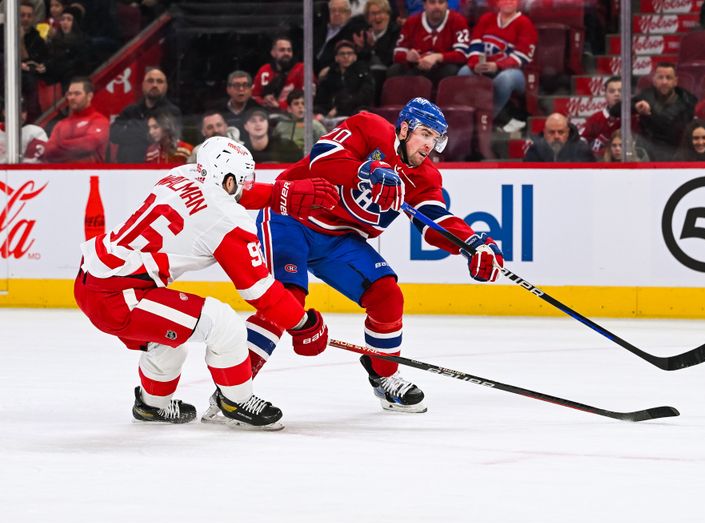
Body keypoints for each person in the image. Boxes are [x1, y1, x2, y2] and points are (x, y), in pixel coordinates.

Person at [248, 98, 505, 413]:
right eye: (424, 133)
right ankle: (233, 390)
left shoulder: (425, 178)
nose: (429, 144)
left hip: (340, 239)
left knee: (386, 295)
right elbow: (321, 159)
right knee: (288, 298)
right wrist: (366, 170)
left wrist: (471, 245)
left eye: (435, 138)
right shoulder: (369, 127)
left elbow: (435, 220)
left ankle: (384, 375)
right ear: (404, 128)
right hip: (292, 216)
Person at [74, 137, 338, 428]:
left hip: (95, 280)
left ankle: (152, 406)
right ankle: (236, 401)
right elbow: (259, 290)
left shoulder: (181, 174)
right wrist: (303, 324)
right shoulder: (227, 219)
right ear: (227, 179)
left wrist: (280, 193)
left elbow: (226, 194)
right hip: (119, 297)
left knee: (168, 342)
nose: (246, 186)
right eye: (243, 180)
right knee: (224, 324)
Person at [459, 0, 537, 128]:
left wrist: (498, 65)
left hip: (516, 72)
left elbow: (522, 56)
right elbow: (475, 44)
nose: (509, 2)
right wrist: (475, 64)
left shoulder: (525, 23)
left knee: (504, 79)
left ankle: (487, 119)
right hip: (485, 67)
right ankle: (466, 116)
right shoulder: (486, 19)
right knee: (464, 71)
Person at [387, 0, 470, 87]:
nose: (437, 6)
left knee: (451, 70)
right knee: (394, 70)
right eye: (432, 2)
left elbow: (463, 54)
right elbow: (397, 54)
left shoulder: (457, 20)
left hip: (442, 67)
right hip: (417, 67)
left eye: (441, 2)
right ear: (424, 5)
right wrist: (407, 56)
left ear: (446, 4)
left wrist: (438, 57)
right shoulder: (412, 21)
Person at [110, 66, 182, 163]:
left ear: (165, 86)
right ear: (143, 85)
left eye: (159, 81)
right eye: (150, 81)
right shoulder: (130, 111)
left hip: (157, 167)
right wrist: (145, 132)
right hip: (127, 168)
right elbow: (113, 135)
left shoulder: (172, 112)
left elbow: (168, 138)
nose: (155, 85)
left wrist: (131, 129)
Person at [633, 62, 697, 161]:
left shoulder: (688, 102)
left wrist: (651, 113)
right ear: (654, 80)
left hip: (676, 155)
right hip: (647, 155)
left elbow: (668, 127)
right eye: (660, 77)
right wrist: (635, 106)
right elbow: (615, 110)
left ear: (675, 81)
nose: (664, 82)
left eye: (668, 78)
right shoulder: (645, 96)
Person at [42, 77, 109, 163]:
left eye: (77, 94)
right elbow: (48, 152)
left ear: (89, 96)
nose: (72, 97)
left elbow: (88, 145)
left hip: (89, 175)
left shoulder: (99, 120)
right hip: (64, 175)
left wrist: (60, 145)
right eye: (69, 94)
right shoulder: (61, 124)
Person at [315, 40, 376, 124]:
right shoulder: (330, 75)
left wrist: (339, 108)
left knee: (363, 113)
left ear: (355, 57)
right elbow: (322, 98)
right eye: (342, 54)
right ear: (336, 58)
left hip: (354, 110)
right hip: (330, 114)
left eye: (349, 53)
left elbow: (365, 95)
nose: (346, 56)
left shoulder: (362, 73)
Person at [352, 0, 402, 104]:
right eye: (373, 14)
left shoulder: (396, 31)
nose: (378, 17)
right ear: (367, 18)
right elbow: (361, 60)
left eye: (381, 13)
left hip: (385, 73)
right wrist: (360, 49)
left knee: (373, 75)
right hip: (366, 73)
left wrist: (374, 45)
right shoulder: (363, 33)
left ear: (388, 15)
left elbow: (389, 59)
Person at [313, 0, 368, 75]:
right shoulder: (319, 29)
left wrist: (331, 68)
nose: (336, 14)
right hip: (310, 69)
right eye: (333, 10)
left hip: (332, 72)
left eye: (341, 11)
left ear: (349, 14)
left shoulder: (353, 33)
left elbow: (352, 58)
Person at [253, 36, 305, 111]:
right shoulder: (264, 70)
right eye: (282, 50)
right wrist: (265, 101)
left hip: (292, 114)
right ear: (273, 53)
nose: (286, 53)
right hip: (266, 112)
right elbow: (254, 96)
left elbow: (307, 98)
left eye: (289, 50)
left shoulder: (301, 69)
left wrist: (279, 105)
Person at [523, 113, 595, 162]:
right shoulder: (536, 149)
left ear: (567, 132)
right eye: (551, 132)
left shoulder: (582, 149)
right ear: (544, 133)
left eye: (561, 132)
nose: (556, 136)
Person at [581, 75, 622, 159]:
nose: (617, 94)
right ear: (605, 95)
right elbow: (581, 143)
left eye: (621, 91)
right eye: (612, 91)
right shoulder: (595, 119)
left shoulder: (634, 118)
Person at [220, 71, 264, 136]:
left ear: (251, 89)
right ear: (228, 89)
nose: (241, 89)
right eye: (236, 85)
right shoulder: (217, 111)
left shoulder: (259, 110)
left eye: (245, 85)